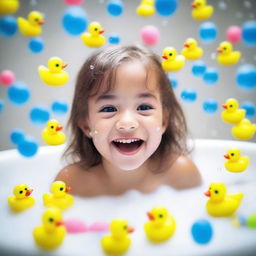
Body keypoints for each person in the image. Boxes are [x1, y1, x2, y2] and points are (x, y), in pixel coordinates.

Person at [55, 45, 201, 197]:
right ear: (86, 125)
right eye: (108, 109)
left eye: (144, 107)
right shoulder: (70, 183)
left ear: (163, 121)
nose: (127, 123)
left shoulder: (181, 174)